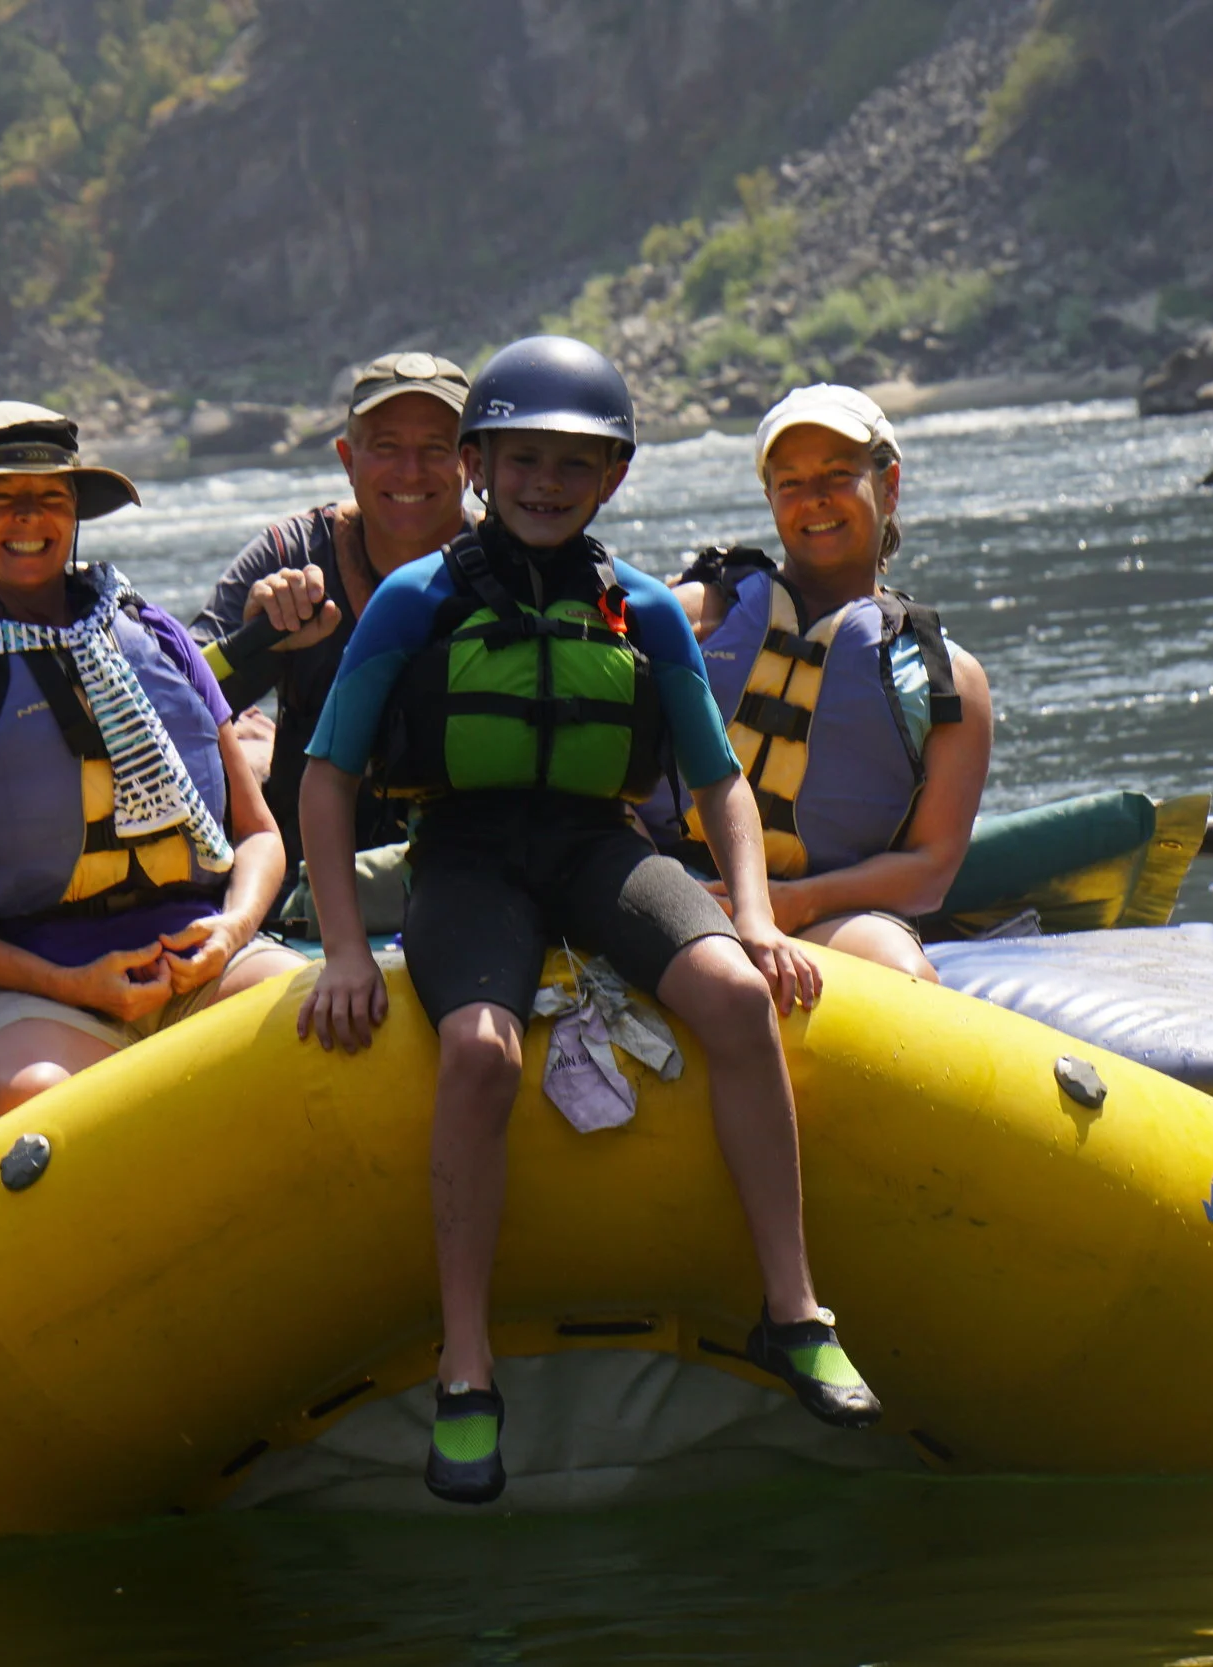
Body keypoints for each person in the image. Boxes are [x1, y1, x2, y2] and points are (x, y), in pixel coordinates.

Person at [293, 338, 880, 1506]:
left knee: (734, 995)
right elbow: (326, 776)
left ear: (612, 477)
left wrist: (755, 918)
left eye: (575, 464)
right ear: (477, 465)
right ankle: (466, 1366)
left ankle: (793, 1309)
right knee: (477, 1049)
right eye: (522, 460)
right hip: (465, 854)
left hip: (596, 845)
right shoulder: (415, 599)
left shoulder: (642, 608)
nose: (546, 484)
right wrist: (346, 948)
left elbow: (717, 783)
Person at [0, 403, 302, 1116]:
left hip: (199, 963)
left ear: (74, 514)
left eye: (50, 497)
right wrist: (68, 983)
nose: (29, 517)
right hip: (25, 995)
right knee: (43, 1097)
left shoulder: (155, 635)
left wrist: (232, 929)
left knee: (318, 1021)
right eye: (1, 499)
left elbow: (258, 833)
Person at [661, 385, 993, 981]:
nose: (814, 498)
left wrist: (792, 903)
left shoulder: (949, 680)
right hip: (674, 878)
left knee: (906, 975)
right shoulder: (696, 615)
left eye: (838, 474)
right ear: (770, 497)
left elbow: (931, 869)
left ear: (889, 486)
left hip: (828, 911)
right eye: (790, 482)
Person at [190, 352, 474, 883]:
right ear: (348, 460)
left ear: (472, 463)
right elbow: (169, 708)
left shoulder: (509, 566)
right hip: (307, 886)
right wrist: (261, 650)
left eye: (436, 448)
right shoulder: (288, 555)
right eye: (386, 447)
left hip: (468, 873)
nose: (410, 471)